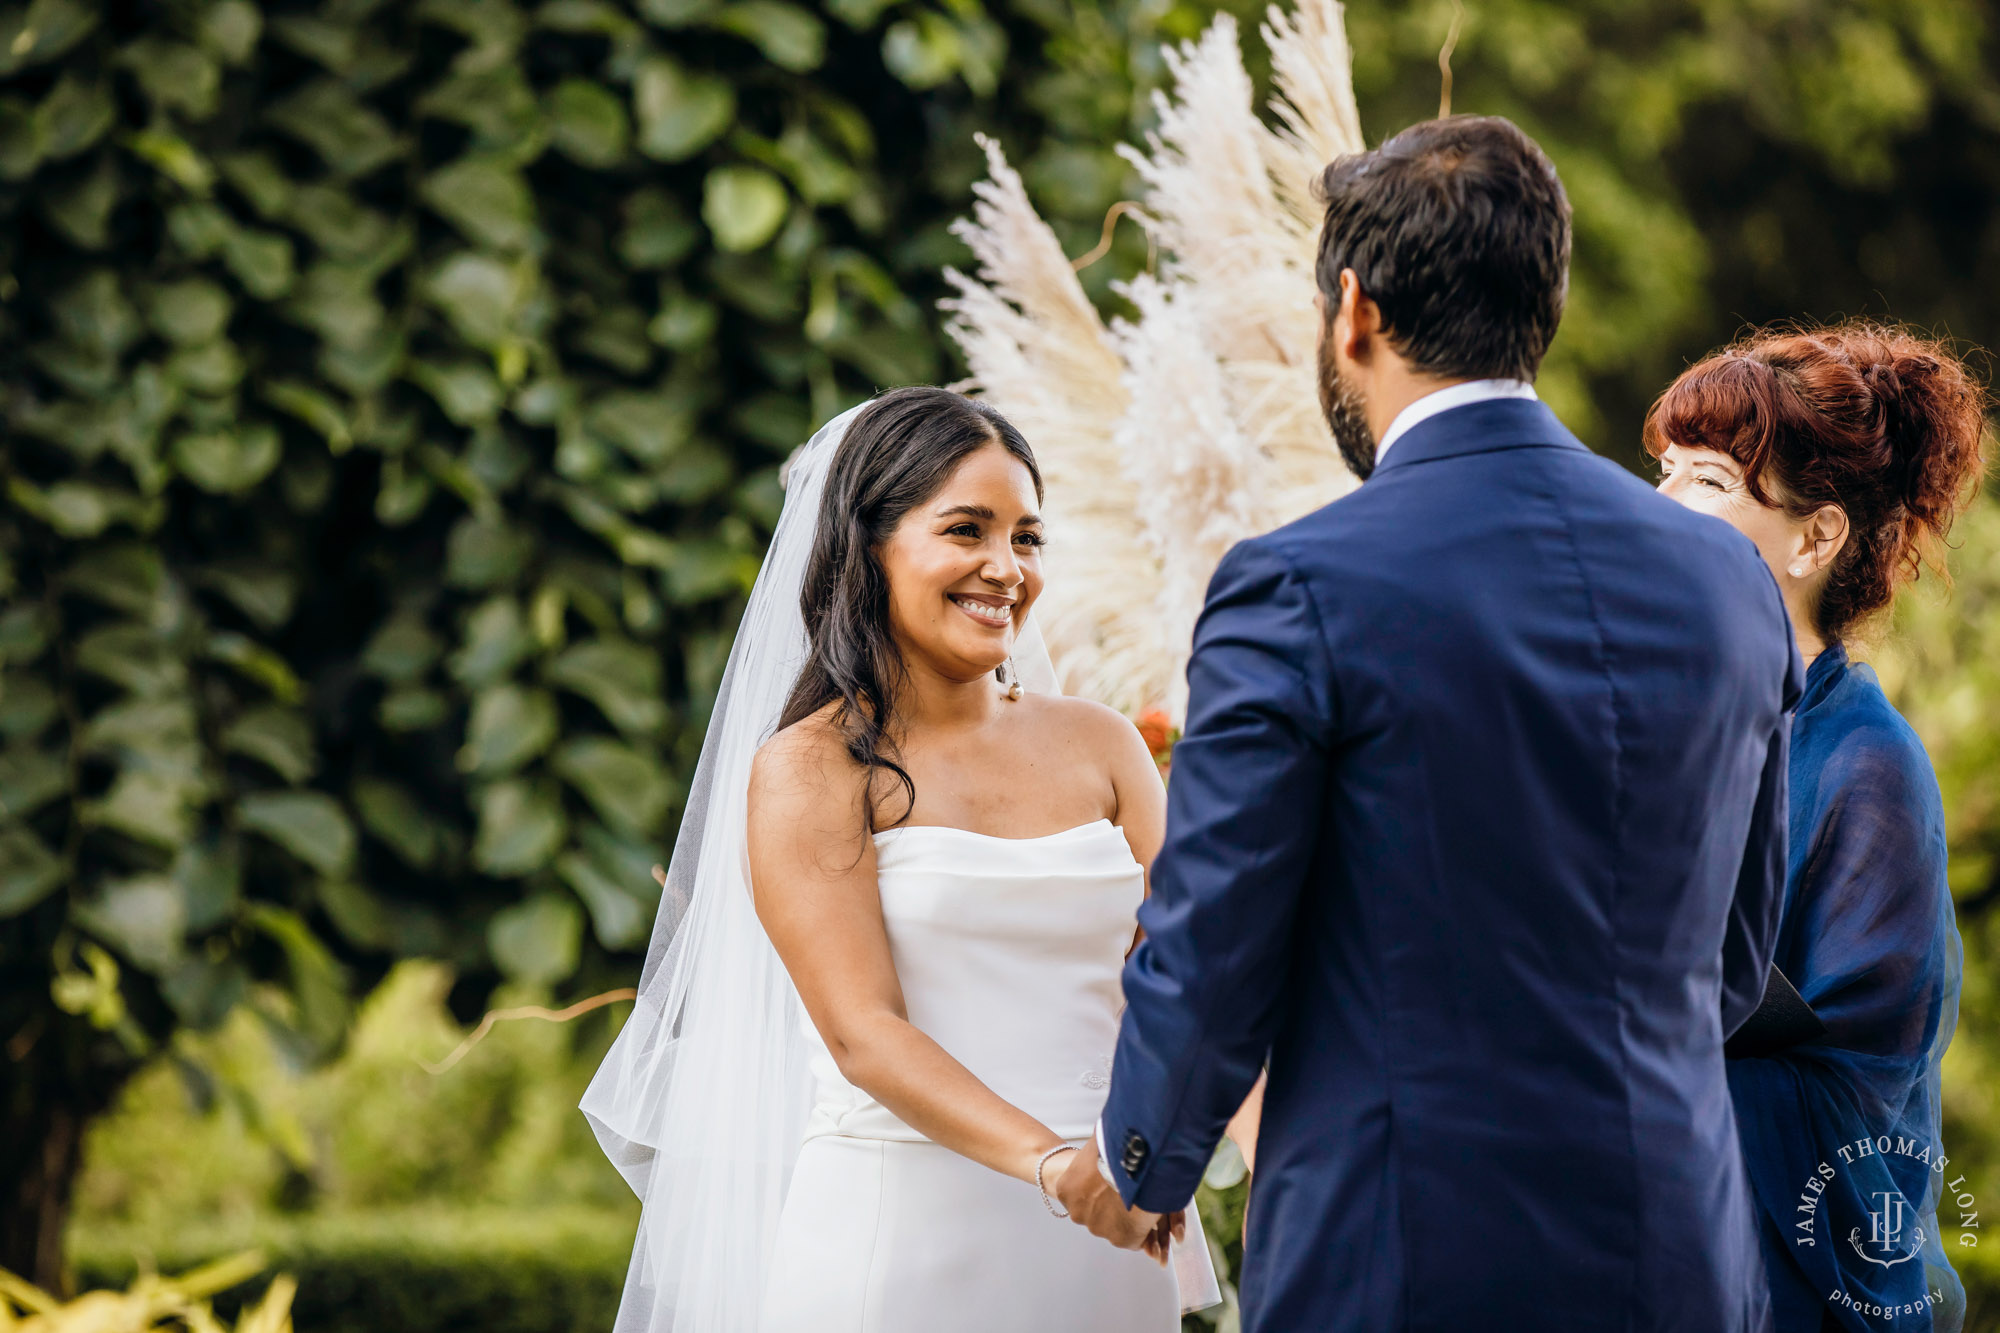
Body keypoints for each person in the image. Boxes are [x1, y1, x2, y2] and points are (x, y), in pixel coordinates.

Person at [1048, 115, 1800, 1332]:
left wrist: (1137, 1159)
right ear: (1539, 308)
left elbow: (1214, 946)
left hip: (1396, 1262)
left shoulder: (1293, 584)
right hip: (1680, 1255)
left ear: (1351, 311)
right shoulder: (1727, 584)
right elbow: (1729, 961)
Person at [582, 386, 1212, 1332]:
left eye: (1027, 537)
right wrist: (1055, 1164)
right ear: (868, 545)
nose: (1006, 568)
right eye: (967, 530)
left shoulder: (1104, 743)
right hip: (907, 1242)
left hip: (1104, 1236)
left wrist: (1152, 1146)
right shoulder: (812, 767)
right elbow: (861, 1031)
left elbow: (1200, 963)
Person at [1651, 323, 1985, 1332]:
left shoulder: (1865, 766)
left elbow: (1845, 1092)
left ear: (1813, 537)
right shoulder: (1665, 722)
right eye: (1658, 471)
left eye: (1703, 481)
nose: (1656, 506)